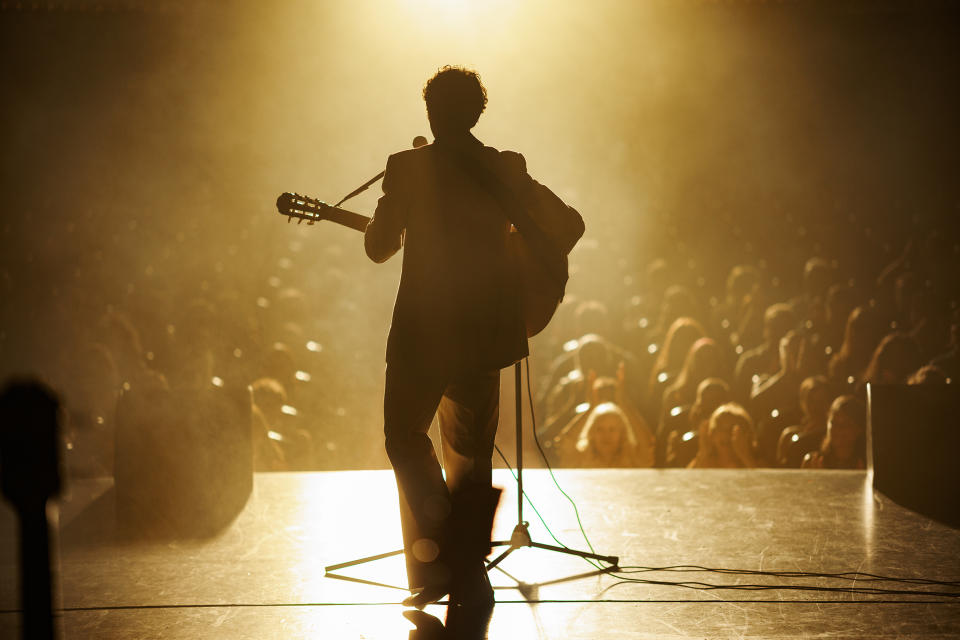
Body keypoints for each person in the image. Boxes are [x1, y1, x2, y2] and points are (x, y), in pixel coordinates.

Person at [364, 66, 581, 637]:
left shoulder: (407, 168)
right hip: (483, 335)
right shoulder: (504, 167)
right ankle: (467, 572)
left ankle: (438, 554)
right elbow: (569, 225)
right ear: (478, 113)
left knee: (404, 438)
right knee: (469, 453)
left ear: (430, 111)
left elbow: (378, 248)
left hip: (420, 334)